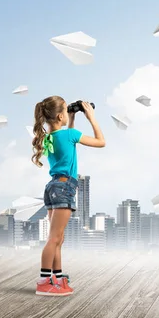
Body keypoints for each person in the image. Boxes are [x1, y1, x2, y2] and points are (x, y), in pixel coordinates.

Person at [32, 96, 105, 296]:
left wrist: (71, 117)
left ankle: (57, 278)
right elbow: (101, 142)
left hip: (53, 187)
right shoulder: (70, 134)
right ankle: (45, 282)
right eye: (65, 110)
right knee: (54, 238)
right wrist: (91, 117)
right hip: (64, 188)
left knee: (58, 238)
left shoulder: (49, 138)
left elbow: (68, 143)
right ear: (59, 115)